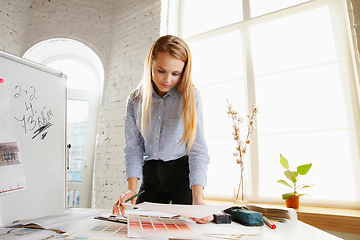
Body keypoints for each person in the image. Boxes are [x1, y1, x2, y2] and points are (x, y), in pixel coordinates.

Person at [112, 35, 212, 224]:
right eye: (161, 71)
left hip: (182, 177)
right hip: (151, 179)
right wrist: (131, 190)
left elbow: (197, 149)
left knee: (186, 229)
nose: (167, 80)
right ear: (150, 64)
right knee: (138, 227)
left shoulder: (191, 97)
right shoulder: (135, 100)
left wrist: (198, 198)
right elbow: (133, 147)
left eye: (176, 73)